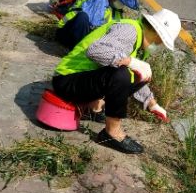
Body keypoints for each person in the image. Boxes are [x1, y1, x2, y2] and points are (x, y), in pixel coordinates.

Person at [52, 8, 181, 154]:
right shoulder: (130, 31)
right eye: (161, 42)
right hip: (66, 79)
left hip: (81, 80)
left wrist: (151, 103)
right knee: (122, 74)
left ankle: (93, 107)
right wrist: (131, 62)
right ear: (157, 34)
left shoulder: (138, 41)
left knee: (140, 73)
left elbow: (134, 75)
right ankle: (112, 132)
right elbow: (95, 50)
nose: (159, 45)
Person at [55, 0, 141, 50]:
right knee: (83, 17)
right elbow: (93, 27)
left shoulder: (117, 10)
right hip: (67, 32)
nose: (122, 3)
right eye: (121, 0)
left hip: (84, 37)